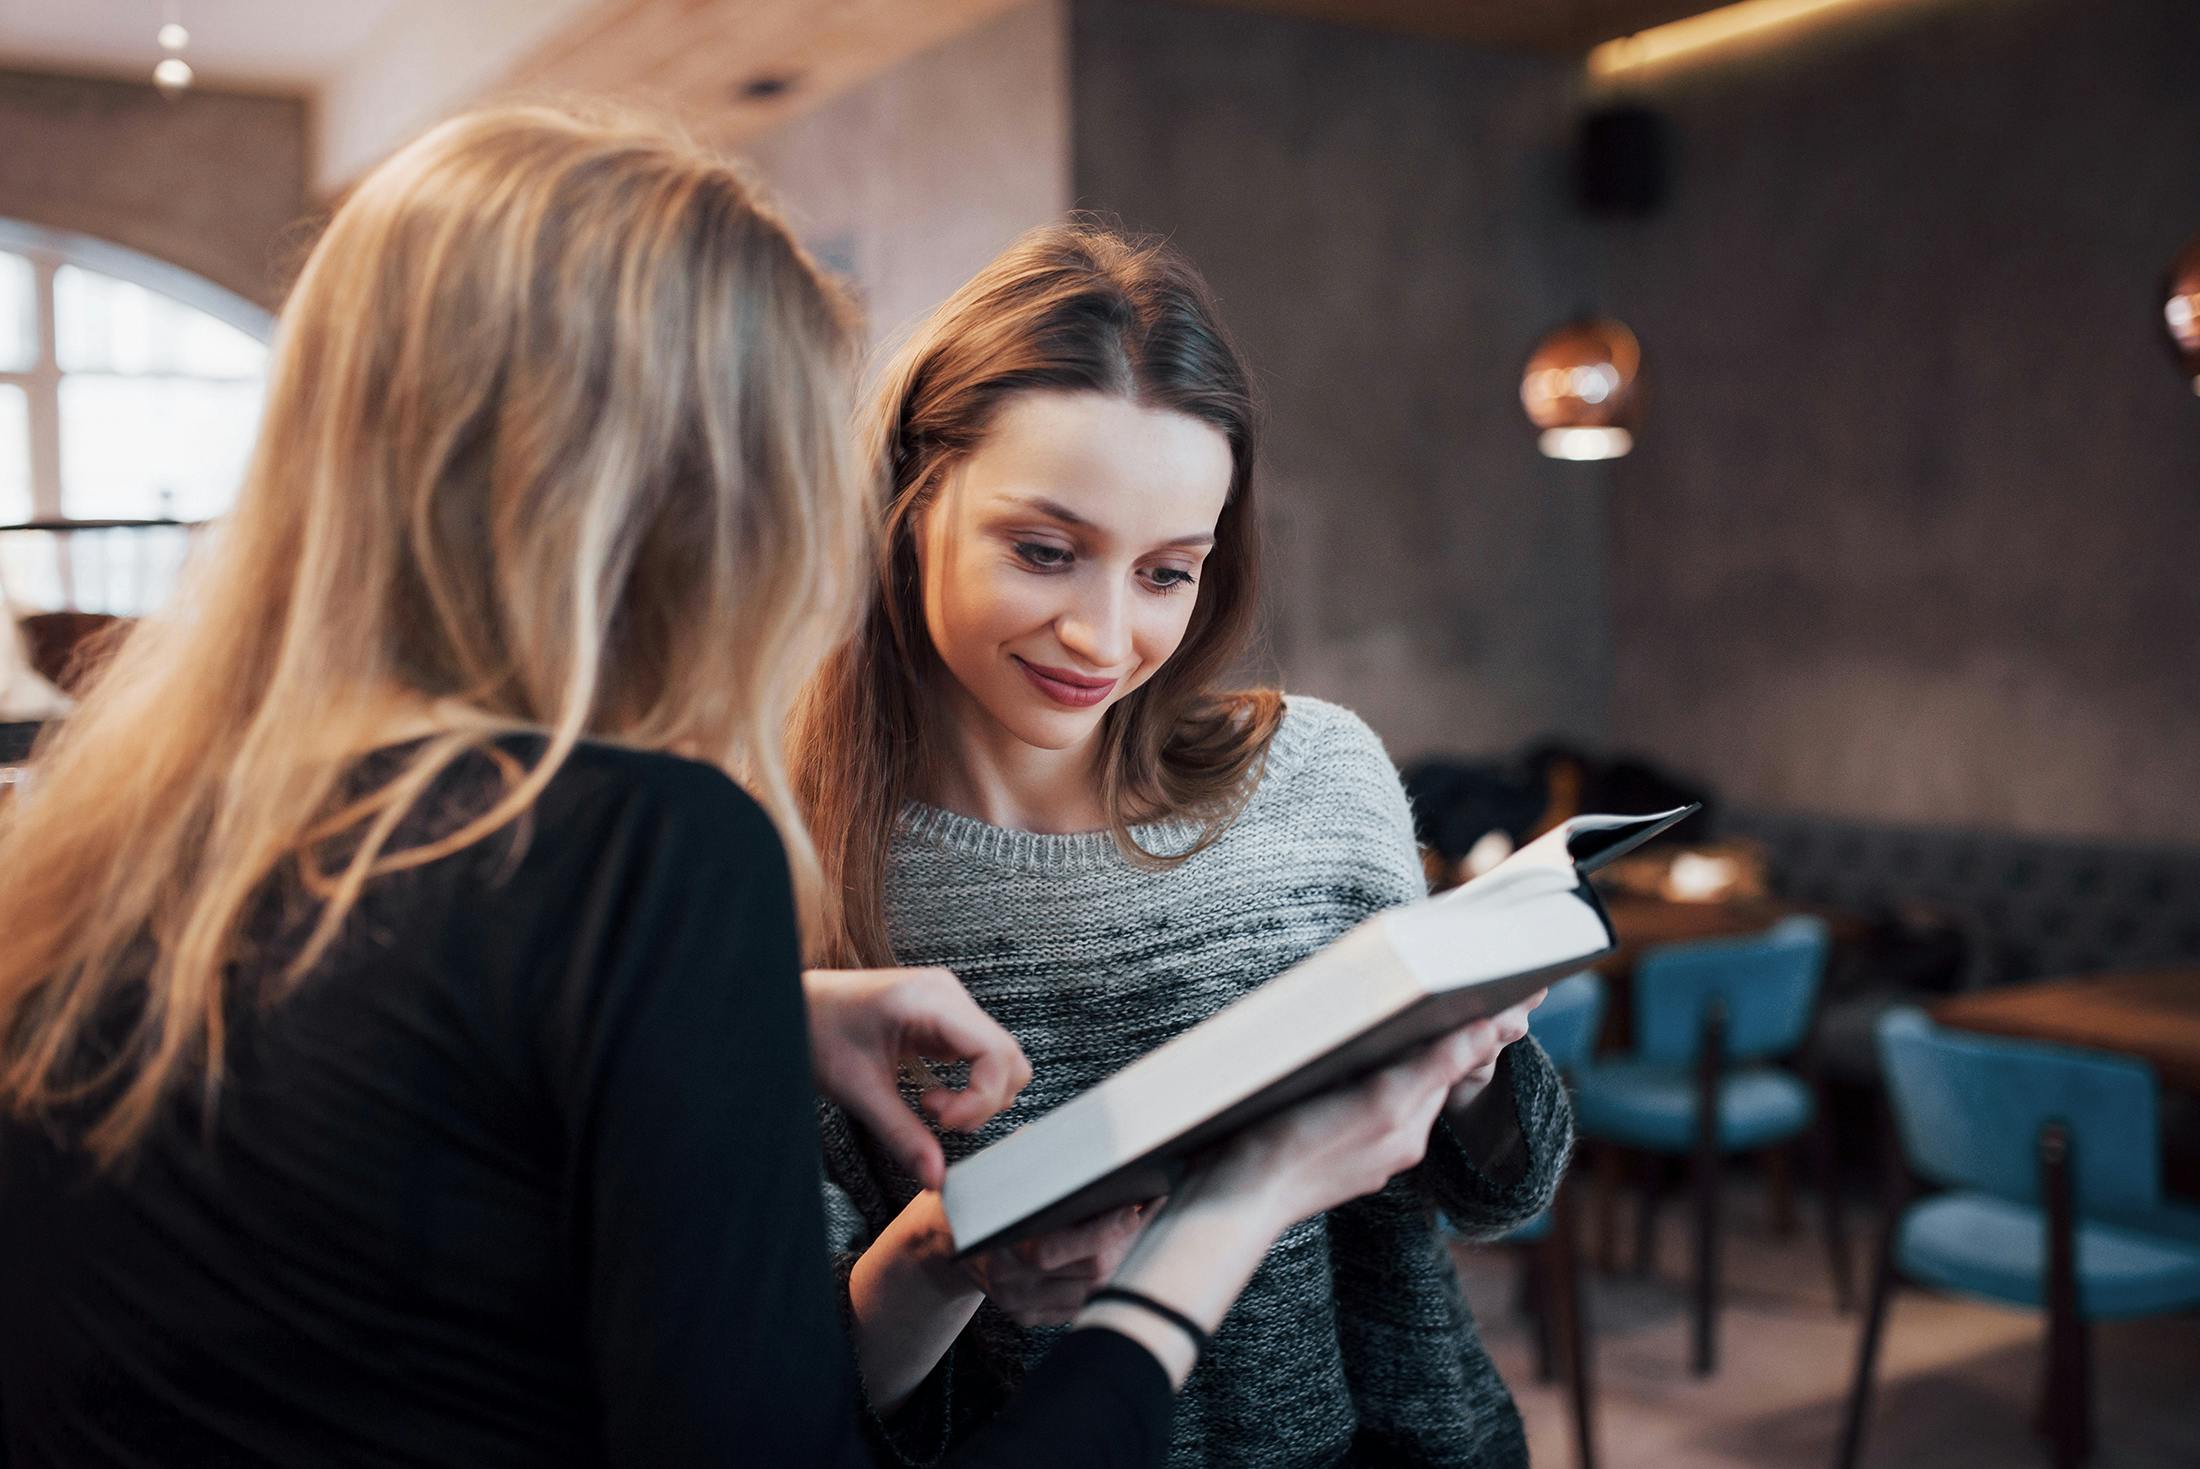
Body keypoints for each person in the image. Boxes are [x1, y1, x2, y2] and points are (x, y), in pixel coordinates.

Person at [0, 109, 1510, 1469]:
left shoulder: (102, 857)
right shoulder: (672, 847)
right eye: (789, 468)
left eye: (1167, 570)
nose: (799, 545)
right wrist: (1233, 1206)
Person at [792, 223, 1574, 1467]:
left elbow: (1495, 1193)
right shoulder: (787, 856)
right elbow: (795, 1395)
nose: (1103, 635)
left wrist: (1478, 1067)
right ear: (907, 502)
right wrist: (949, 1260)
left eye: (1167, 573)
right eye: (1044, 551)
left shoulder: (1313, 775)